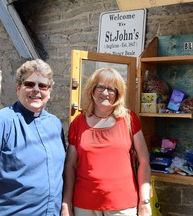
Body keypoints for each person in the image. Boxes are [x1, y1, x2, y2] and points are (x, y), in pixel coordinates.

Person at [61, 67, 152, 216]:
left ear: (118, 94)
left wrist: (144, 201)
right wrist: (66, 204)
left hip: (122, 204)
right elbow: (70, 166)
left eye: (111, 89)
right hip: (84, 204)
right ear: (92, 89)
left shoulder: (129, 119)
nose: (105, 93)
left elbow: (143, 161)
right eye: (100, 87)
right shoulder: (78, 122)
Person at [0, 59, 66, 215]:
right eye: (30, 84)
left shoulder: (55, 124)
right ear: (18, 88)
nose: (36, 90)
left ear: (49, 92)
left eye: (42, 86)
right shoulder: (1, 122)